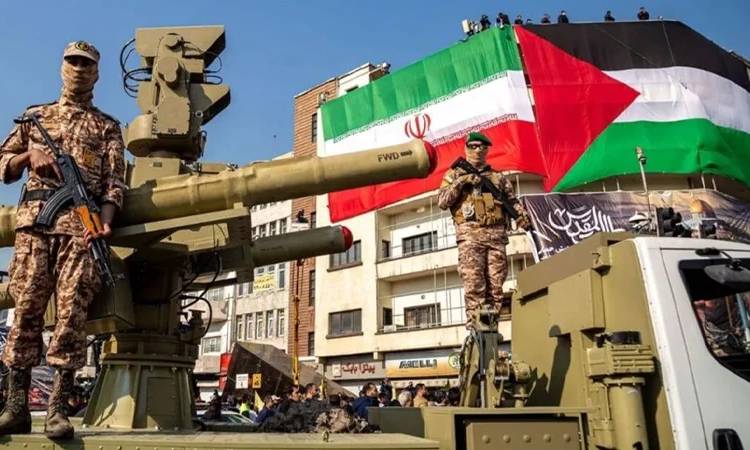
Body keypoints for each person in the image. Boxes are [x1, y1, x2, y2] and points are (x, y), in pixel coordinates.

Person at [0, 40, 125, 439]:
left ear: (97, 73)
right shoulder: (35, 117)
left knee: (72, 315)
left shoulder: (107, 127)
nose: (78, 69)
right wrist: (28, 157)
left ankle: (57, 408)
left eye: (86, 64)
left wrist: (104, 222)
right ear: (61, 67)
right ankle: (15, 405)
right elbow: (3, 163)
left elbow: (114, 183)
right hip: (35, 227)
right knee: (26, 310)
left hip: (80, 231)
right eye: (72, 61)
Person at [438, 132, 531, 329]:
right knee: (474, 284)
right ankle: (476, 329)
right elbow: (443, 202)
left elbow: (512, 201)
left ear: (487, 150)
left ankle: (491, 327)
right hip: (470, 237)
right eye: (473, 146)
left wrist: (522, 216)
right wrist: (462, 182)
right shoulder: (454, 174)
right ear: (466, 148)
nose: (477, 150)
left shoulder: (498, 178)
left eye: (482, 146)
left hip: (496, 238)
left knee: (496, 286)